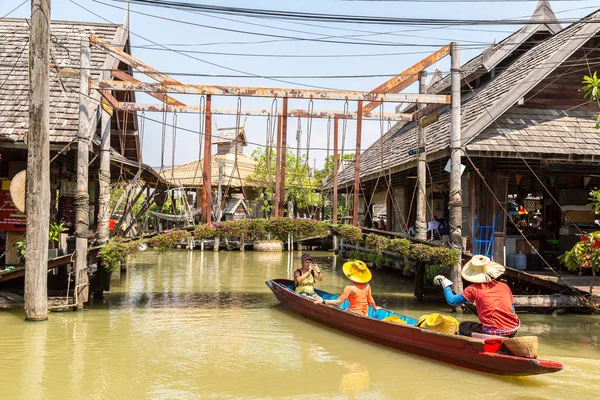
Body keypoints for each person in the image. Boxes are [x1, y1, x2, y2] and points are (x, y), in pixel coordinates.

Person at [433, 255, 520, 337]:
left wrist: (446, 285)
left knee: (463, 326)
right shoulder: (504, 286)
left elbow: (452, 301)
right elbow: (512, 310)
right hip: (513, 328)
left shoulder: (473, 289)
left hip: (492, 332)